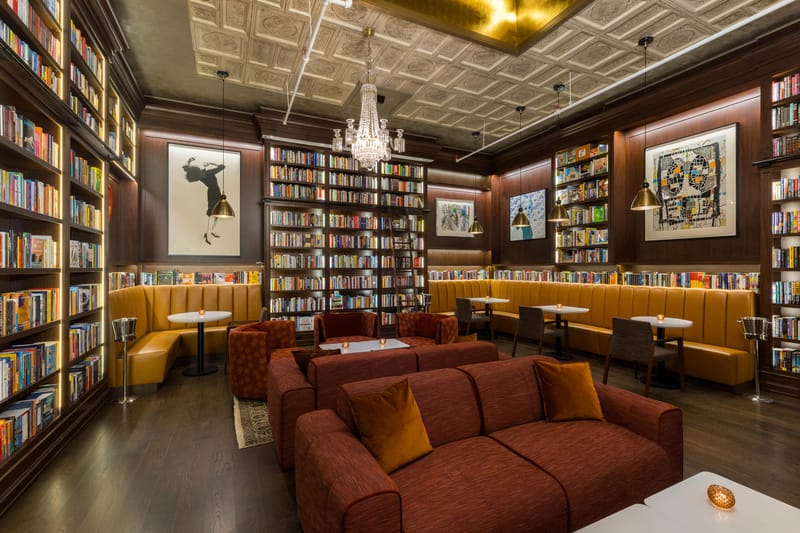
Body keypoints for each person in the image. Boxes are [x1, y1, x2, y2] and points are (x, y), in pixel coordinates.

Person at [182, 156, 226, 244]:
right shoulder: (208, 173)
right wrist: (210, 163)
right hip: (215, 193)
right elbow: (222, 166)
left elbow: (187, 168)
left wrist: (189, 161)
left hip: (212, 192)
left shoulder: (200, 175)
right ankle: (208, 234)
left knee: (216, 213)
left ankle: (212, 231)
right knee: (212, 214)